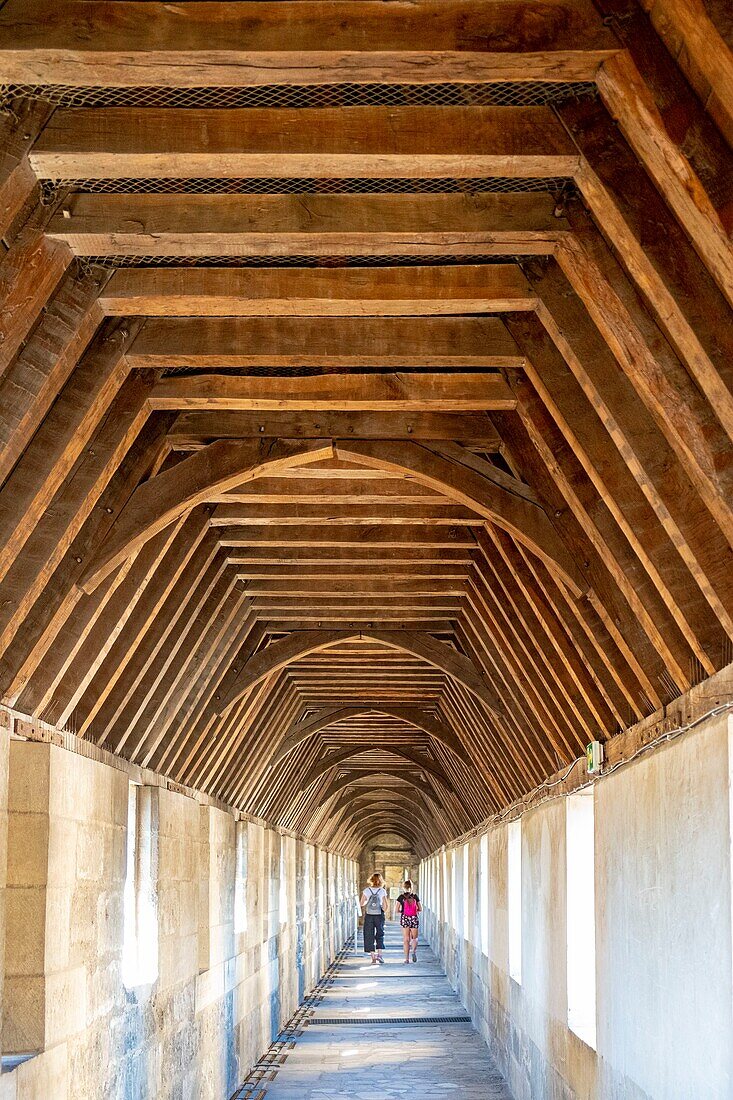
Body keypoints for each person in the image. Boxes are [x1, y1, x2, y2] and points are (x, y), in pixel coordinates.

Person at [360, 872, 387, 965]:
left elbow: (362, 903)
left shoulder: (366, 890)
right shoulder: (382, 891)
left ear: (371, 880)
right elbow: (385, 905)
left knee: (368, 934)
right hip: (379, 915)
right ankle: (380, 955)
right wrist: (382, 910)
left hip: (369, 915)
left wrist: (368, 903)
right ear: (381, 881)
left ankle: (373, 957)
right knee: (380, 933)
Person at [396, 879, 421, 964]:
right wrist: (414, 911)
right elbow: (420, 909)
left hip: (405, 918)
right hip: (414, 918)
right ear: (411, 887)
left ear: (403, 887)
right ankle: (413, 951)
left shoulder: (401, 897)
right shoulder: (415, 896)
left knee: (406, 939)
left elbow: (397, 910)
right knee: (415, 938)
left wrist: (403, 912)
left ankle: (406, 959)